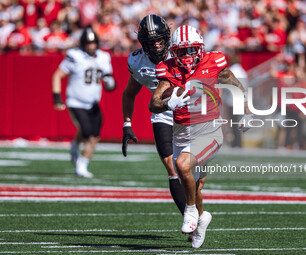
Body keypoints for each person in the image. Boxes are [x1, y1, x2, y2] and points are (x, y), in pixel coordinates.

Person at [150, 25, 251, 248]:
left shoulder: (213, 61)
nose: (186, 56)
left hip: (210, 130)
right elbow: (154, 103)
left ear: (201, 48)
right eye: (182, 51)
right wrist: (168, 103)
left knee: (182, 165)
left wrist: (245, 109)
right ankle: (202, 218)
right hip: (182, 133)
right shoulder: (167, 69)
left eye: (191, 50)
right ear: (174, 51)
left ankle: (190, 211)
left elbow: (235, 84)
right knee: (193, 186)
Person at [122, 14, 187, 217]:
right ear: (144, 42)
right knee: (171, 166)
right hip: (163, 114)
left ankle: (195, 209)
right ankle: (190, 219)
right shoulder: (137, 60)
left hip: (188, 113)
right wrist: (127, 123)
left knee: (192, 172)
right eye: (152, 41)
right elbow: (129, 93)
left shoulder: (180, 52)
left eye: (160, 39)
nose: (157, 45)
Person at [52, 27, 115, 178]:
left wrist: (109, 82)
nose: (91, 46)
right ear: (83, 44)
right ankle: (79, 159)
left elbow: (109, 79)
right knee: (87, 133)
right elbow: (57, 76)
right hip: (76, 101)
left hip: (93, 103)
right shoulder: (75, 56)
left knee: (95, 135)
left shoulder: (103, 57)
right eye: (88, 43)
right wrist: (56, 98)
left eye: (93, 43)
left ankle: (82, 161)